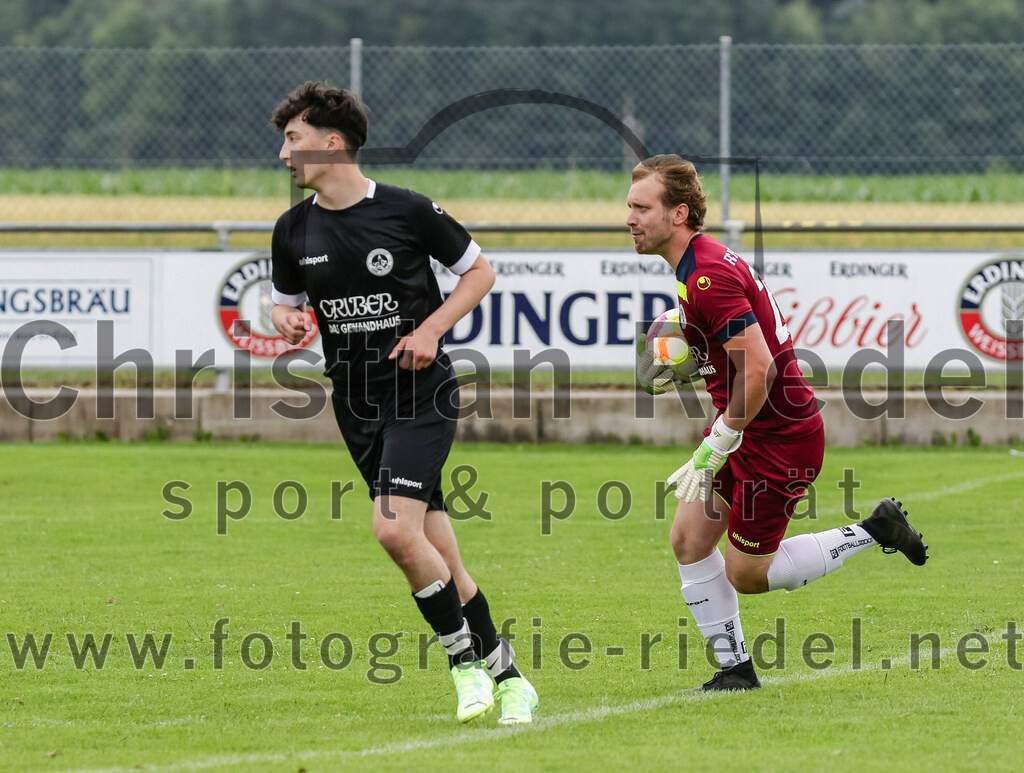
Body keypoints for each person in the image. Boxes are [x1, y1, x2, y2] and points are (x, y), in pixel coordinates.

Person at [268, 81, 537, 723]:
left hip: (421, 394)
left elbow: (480, 272)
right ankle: (511, 678)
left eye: (293, 139)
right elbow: (285, 304)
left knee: (393, 530)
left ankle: (463, 665)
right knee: (440, 554)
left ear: (332, 144)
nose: (283, 153)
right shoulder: (291, 230)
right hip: (355, 405)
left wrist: (431, 329)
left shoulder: (408, 210)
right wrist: (284, 320)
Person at [627, 154, 928, 691]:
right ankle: (736, 670)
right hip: (746, 428)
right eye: (629, 206)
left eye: (641, 207)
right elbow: (740, 354)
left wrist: (719, 440)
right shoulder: (697, 266)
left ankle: (873, 529)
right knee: (689, 541)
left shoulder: (707, 276)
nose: (630, 217)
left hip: (779, 441)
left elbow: (761, 370)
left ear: (677, 214)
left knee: (747, 574)